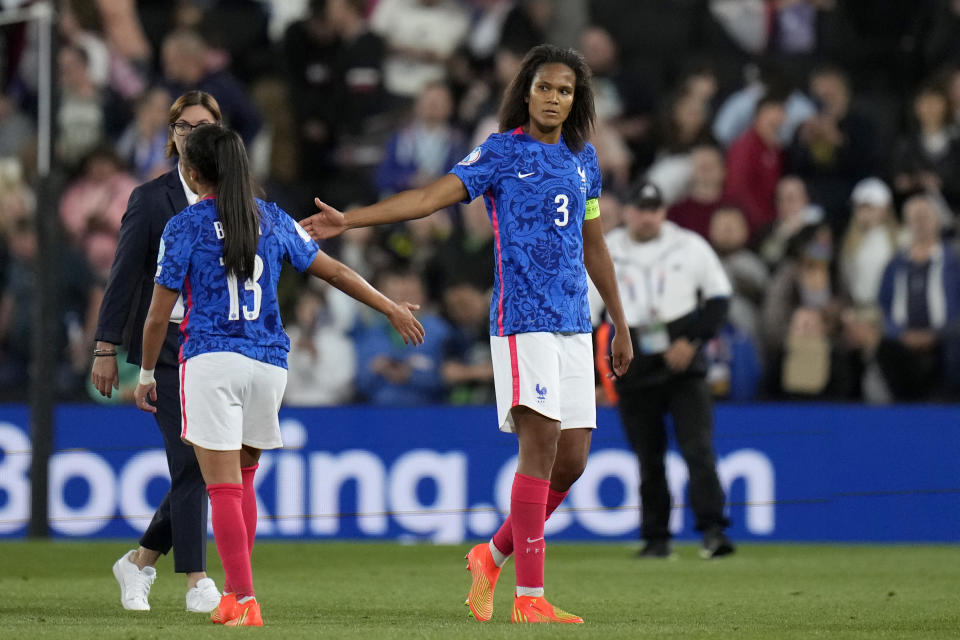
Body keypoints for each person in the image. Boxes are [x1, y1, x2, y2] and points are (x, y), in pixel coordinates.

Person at [301, 43, 633, 624]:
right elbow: (430, 198)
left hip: (576, 324)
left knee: (574, 460)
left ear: (575, 100)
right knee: (540, 447)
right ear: (526, 91)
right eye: (545, 87)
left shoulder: (585, 160)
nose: (554, 98)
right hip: (521, 321)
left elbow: (595, 246)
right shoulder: (502, 153)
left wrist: (620, 322)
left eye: (565, 90)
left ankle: (492, 554)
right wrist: (352, 219)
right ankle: (529, 599)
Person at [132, 124, 423, 626]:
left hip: (212, 358)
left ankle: (242, 600)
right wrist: (390, 307)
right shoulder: (272, 219)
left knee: (220, 487)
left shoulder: (185, 226)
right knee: (242, 483)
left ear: (194, 173)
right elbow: (335, 272)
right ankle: (235, 594)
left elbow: (159, 315)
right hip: (269, 364)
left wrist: (144, 372)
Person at [92, 90, 224, 613]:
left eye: (203, 125)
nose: (192, 134)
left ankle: (141, 562)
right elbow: (123, 276)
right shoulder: (151, 199)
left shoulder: (240, 197)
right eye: (184, 127)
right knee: (192, 458)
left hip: (218, 344)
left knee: (206, 461)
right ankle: (196, 579)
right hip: (165, 346)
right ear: (172, 136)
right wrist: (106, 348)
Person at [591, 182, 735, 559]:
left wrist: (693, 341)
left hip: (682, 354)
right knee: (647, 456)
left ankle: (713, 531)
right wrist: (598, 378)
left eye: (654, 208)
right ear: (626, 211)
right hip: (632, 356)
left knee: (698, 448)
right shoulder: (605, 248)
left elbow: (719, 299)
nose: (648, 216)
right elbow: (589, 318)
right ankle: (656, 538)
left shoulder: (690, 245)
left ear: (664, 212)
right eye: (641, 208)